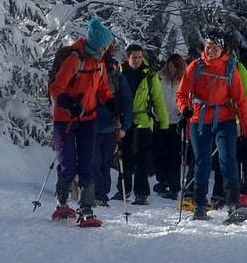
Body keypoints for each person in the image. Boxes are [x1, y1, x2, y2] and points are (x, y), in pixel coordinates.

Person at [175, 30, 247, 223]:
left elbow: (241, 101)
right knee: (202, 162)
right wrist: (184, 109)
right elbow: (182, 94)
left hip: (224, 118)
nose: (211, 51)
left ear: (222, 49)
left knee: (228, 159)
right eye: (208, 47)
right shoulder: (195, 67)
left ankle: (233, 203)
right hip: (199, 119)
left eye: (215, 48)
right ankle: (200, 205)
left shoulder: (230, 68)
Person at [48, 16, 116, 227]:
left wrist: (113, 104)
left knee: (88, 162)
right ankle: (62, 200)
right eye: (105, 47)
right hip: (66, 119)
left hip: (89, 119)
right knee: (67, 163)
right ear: (97, 45)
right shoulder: (74, 59)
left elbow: (103, 90)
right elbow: (56, 88)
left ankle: (86, 207)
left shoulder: (100, 64)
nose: (106, 50)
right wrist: (68, 103)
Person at [121, 44, 169, 205]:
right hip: (124, 121)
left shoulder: (149, 76)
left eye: (140, 57)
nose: (137, 60)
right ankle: (123, 189)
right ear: (128, 58)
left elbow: (158, 100)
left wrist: (164, 123)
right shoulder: (120, 73)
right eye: (134, 57)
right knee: (124, 156)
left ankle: (141, 192)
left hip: (143, 120)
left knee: (142, 158)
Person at [96, 50, 133, 206]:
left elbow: (127, 101)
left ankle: (101, 195)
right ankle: (96, 195)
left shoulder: (117, 77)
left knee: (105, 162)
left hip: (111, 126)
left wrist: (124, 126)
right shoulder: (90, 72)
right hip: (90, 124)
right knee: (94, 161)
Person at [156, 53, 187, 200]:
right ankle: (161, 181)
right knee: (160, 153)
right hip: (161, 120)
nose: (172, 69)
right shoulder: (160, 78)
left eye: (175, 66)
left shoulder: (184, 80)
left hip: (176, 121)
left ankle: (174, 186)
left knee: (174, 155)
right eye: (170, 66)